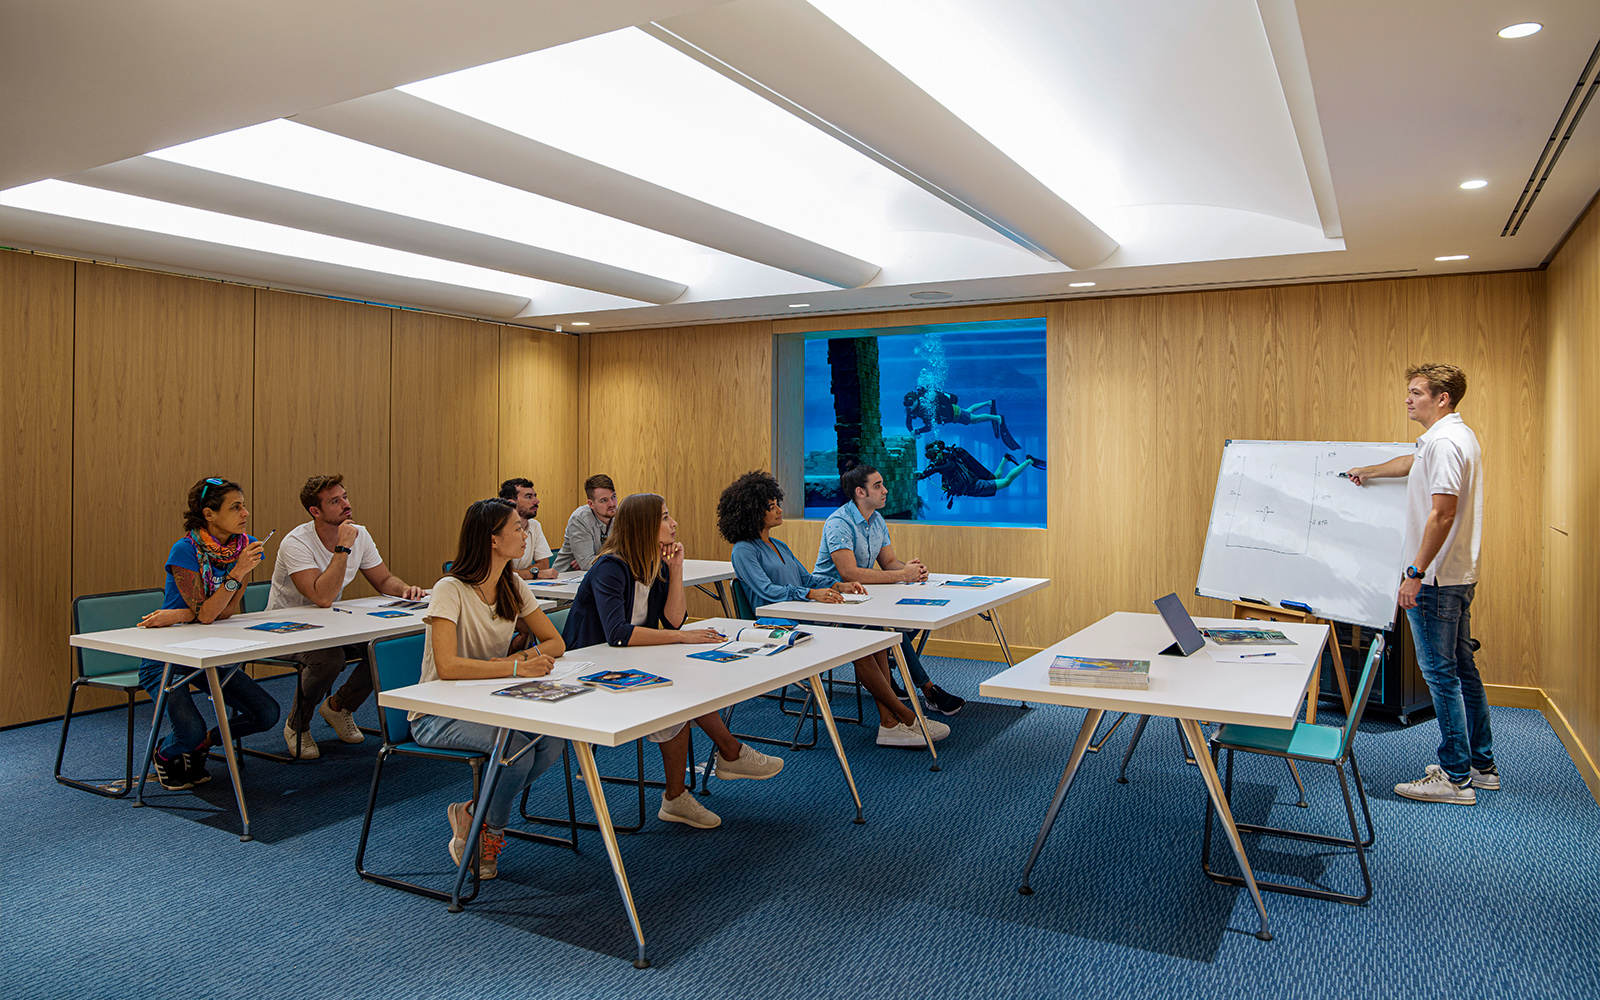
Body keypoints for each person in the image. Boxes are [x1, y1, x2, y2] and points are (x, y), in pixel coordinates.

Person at [563, 492, 784, 829]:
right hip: (591, 669)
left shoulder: (654, 563)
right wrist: (681, 636)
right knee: (677, 693)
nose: (673, 523)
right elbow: (618, 634)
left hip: (629, 660)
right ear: (643, 526)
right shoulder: (610, 566)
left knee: (686, 686)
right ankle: (720, 760)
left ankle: (700, 778)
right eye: (665, 517)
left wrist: (676, 570)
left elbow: (675, 620)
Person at [717, 471, 950, 748]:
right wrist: (811, 593)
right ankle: (905, 718)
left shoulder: (778, 545)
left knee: (873, 636)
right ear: (753, 513)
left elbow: (805, 579)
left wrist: (839, 585)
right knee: (859, 644)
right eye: (772, 507)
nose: (779, 509)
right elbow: (766, 592)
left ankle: (890, 724)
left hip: (804, 614)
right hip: (776, 625)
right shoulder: (743, 550)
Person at [1346, 363, 1492, 805]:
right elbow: (1413, 462)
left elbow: (1442, 513)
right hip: (1456, 575)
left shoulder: (1445, 443)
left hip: (1435, 579)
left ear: (1442, 398)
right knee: (1463, 671)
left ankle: (1454, 779)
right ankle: (1480, 766)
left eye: (1416, 392)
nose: (1408, 399)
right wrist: (1370, 470)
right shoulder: (1448, 438)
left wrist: (1414, 573)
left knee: (1441, 676)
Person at [410, 498, 569, 878]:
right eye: (516, 527)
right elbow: (447, 667)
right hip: (437, 713)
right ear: (493, 540)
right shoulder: (450, 588)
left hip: (492, 701)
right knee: (515, 749)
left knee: (553, 740)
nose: (525, 532)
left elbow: (555, 643)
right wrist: (513, 666)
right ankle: (487, 832)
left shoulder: (512, 584)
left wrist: (525, 658)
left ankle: (470, 812)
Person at [266, 475, 428, 759]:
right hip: (286, 631)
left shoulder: (359, 533)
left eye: (345, 497)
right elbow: (322, 596)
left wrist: (404, 590)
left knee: (383, 648)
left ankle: (339, 707)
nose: (346, 504)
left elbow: (384, 579)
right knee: (328, 659)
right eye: (335, 501)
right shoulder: (296, 542)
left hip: (331, 625)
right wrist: (342, 547)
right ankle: (297, 725)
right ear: (315, 512)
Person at [135, 477, 280, 790]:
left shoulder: (243, 547)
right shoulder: (185, 550)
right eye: (235, 507)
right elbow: (210, 613)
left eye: (243, 505)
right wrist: (235, 575)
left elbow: (224, 612)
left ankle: (202, 745)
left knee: (266, 713)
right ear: (209, 514)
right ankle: (165, 753)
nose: (245, 513)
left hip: (206, 649)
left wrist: (186, 615)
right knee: (187, 731)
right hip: (165, 656)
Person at [813, 463, 966, 716]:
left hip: (862, 596)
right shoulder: (838, 522)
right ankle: (928, 690)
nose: (885, 490)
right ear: (860, 493)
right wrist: (900, 574)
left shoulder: (876, 519)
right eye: (877, 486)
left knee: (910, 616)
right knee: (888, 625)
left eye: (882, 484)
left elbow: (888, 563)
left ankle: (889, 666)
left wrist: (911, 571)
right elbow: (848, 573)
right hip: (832, 599)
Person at [917, 440, 1045, 509]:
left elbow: (945, 467)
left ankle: (1029, 461)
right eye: (930, 456)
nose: (933, 458)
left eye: (933, 455)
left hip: (975, 486)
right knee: (995, 478)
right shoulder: (941, 461)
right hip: (972, 486)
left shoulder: (950, 459)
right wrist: (922, 474)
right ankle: (1005, 459)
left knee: (1006, 482)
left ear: (939, 451)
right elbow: (933, 469)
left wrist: (927, 472)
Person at [903, 385, 1020, 450]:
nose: (909, 407)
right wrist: (912, 431)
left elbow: (929, 426)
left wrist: (918, 431)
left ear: (916, 400)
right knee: (969, 411)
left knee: (974, 419)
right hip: (952, 413)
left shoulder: (924, 407)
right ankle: (988, 403)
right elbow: (908, 423)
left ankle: (997, 418)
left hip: (954, 414)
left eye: (910, 403)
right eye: (907, 405)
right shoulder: (912, 409)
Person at [551, 474, 619, 572]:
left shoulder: (621, 515)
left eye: (613, 497)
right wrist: (590, 561)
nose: (612, 504)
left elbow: (630, 554)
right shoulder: (579, 519)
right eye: (604, 500)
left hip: (600, 574)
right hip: (567, 577)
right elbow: (588, 564)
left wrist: (596, 560)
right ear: (591, 504)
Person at [498, 477, 558, 580]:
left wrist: (522, 574)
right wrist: (534, 574)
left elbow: (543, 564)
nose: (536, 501)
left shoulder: (534, 525)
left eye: (535, 496)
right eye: (528, 497)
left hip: (525, 586)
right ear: (511, 503)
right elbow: (501, 572)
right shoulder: (498, 528)